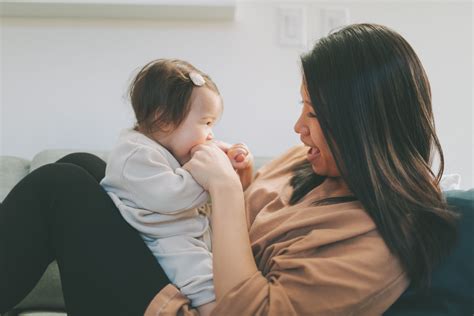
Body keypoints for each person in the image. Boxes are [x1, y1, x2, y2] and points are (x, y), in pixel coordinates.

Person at [0, 23, 458, 315]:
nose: (298, 127)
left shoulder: (376, 243)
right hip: (192, 273)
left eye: (314, 114)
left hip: (203, 306)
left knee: (58, 188)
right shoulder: (310, 163)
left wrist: (223, 191)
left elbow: (251, 309)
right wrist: (241, 182)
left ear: (364, 125)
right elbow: (242, 224)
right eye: (303, 106)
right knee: (82, 168)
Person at [99, 59, 251, 316]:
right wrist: (215, 175)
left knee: (210, 272)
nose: (211, 134)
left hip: (187, 238)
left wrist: (230, 158)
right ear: (164, 119)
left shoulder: (170, 149)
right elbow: (171, 196)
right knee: (201, 280)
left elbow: (201, 175)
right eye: (206, 123)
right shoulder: (134, 155)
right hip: (161, 243)